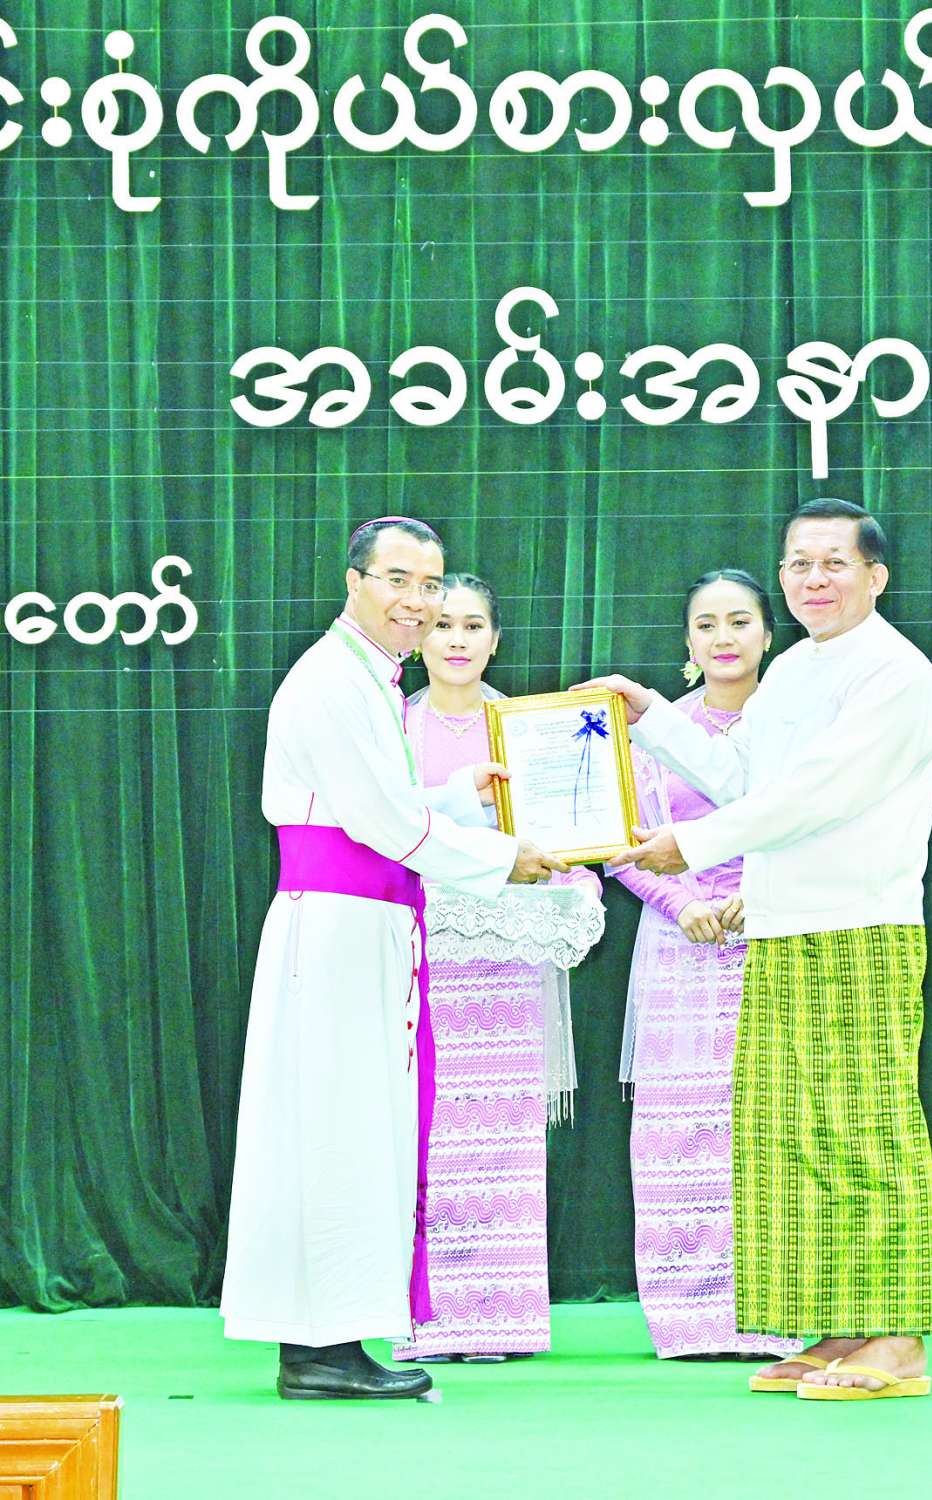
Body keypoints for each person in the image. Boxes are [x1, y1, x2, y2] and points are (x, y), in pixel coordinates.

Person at [596, 498, 932, 1401]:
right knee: (797, 1136)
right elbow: (740, 777)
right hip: (783, 928)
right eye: (798, 563)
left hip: (861, 927)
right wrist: (651, 717)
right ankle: (841, 1326)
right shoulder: (793, 670)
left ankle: (897, 1339)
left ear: (876, 576)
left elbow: (817, 795)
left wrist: (690, 846)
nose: (813, 580)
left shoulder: (897, 676)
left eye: (835, 563)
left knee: (868, 1128)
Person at [220, 518, 565, 1400]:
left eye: (431, 584)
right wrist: (504, 859)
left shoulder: (366, 676)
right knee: (335, 1128)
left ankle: (331, 1339)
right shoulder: (333, 680)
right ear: (355, 581)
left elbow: (375, 799)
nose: (417, 601)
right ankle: (321, 1347)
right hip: (339, 928)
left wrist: (458, 796)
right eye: (398, 580)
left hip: (363, 924)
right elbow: (380, 822)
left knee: (353, 1127)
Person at [392, 574, 604, 1364]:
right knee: (428, 1131)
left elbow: (565, 829)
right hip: (423, 950)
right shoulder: (393, 725)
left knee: (503, 1134)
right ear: (419, 636)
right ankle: (426, 1317)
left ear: (495, 639)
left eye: (472, 624)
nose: (456, 639)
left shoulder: (526, 727)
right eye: (442, 623)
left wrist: (572, 876)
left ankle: (501, 1318)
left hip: (509, 952)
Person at [611, 569, 801, 1362]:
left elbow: (816, 824)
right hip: (678, 946)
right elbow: (618, 844)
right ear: (688, 640)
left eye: (740, 621)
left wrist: (763, 894)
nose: (724, 637)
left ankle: (771, 1314)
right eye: (706, 624)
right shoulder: (655, 732)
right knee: (679, 1133)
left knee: (769, 1127)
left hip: (776, 938)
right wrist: (680, 902)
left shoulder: (798, 726)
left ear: (768, 634)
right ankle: (687, 1319)